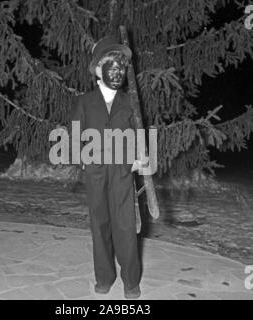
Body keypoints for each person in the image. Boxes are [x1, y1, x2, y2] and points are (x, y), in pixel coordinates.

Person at [71, 36, 142, 299]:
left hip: (123, 171)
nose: (117, 71)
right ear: (98, 70)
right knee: (99, 225)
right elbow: (75, 133)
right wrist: (79, 157)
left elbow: (138, 135)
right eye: (111, 65)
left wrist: (140, 157)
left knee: (125, 225)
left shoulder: (130, 102)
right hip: (96, 171)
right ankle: (104, 276)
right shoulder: (84, 102)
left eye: (122, 67)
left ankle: (131, 280)